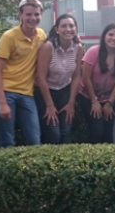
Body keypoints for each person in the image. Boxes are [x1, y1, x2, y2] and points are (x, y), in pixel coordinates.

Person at [0, 0, 46, 148]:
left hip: (27, 94)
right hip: (6, 92)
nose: (33, 18)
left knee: (34, 140)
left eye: (36, 14)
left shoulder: (41, 35)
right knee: (7, 140)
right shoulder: (9, 37)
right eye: (28, 14)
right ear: (20, 15)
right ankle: (4, 171)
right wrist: (2, 102)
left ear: (41, 14)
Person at [35, 13, 84, 144]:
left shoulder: (78, 48)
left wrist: (71, 102)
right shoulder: (48, 47)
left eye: (71, 26)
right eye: (64, 26)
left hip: (64, 91)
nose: (68, 29)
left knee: (66, 132)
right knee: (53, 133)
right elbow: (40, 77)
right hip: (45, 92)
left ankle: (65, 163)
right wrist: (49, 105)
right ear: (57, 29)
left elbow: (76, 76)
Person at [78, 23, 115, 143]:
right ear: (104, 36)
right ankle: (87, 160)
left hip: (110, 99)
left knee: (107, 133)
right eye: (110, 34)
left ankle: (110, 161)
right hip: (87, 97)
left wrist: (109, 103)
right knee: (97, 131)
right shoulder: (93, 51)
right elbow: (86, 78)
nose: (113, 38)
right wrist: (94, 101)